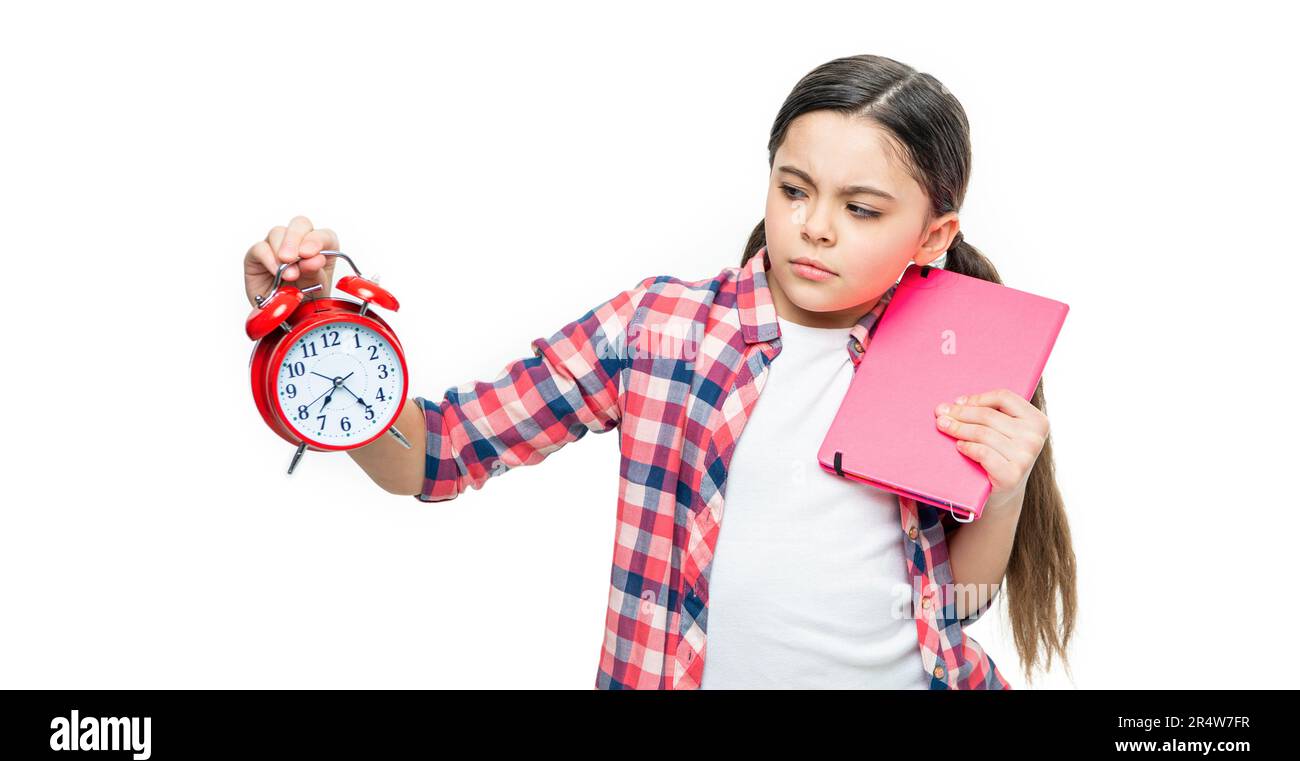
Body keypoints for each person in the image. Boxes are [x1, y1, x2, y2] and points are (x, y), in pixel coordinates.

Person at [241, 54, 1076, 690]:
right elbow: (436, 455)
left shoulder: (954, 355)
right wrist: (320, 332)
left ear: (934, 236)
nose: (815, 227)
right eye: (794, 190)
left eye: (860, 209)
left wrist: (1001, 494)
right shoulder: (660, 330)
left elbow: (956, 608)